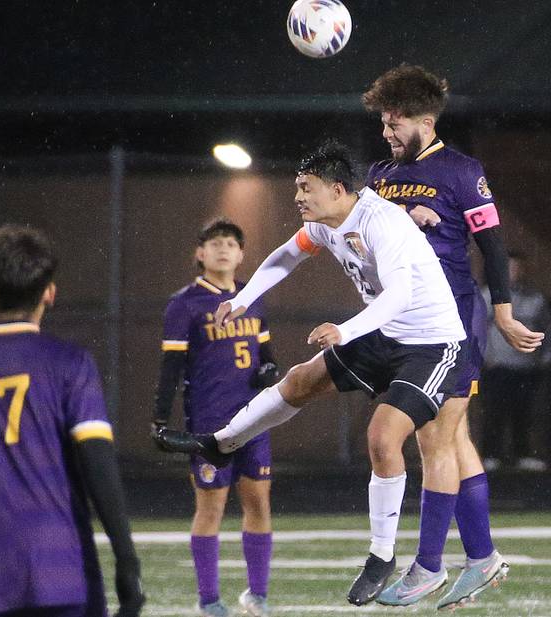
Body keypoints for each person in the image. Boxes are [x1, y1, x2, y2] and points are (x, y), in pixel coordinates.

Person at [154, 141, 470, 607]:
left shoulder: (382, 222)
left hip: (430, 343)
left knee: (383, 439)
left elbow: (400, 295)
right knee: (300, 380)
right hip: (383, 332)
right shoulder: (326, 224)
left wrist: (346, 330)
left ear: (338, 189)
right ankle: (221, 444)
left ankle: (382, 556)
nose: (298, 197)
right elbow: (285, 256)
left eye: (307, 188)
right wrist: (242, 299)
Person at [361, 64, 544, 609]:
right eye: (384, 123)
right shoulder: (378, 174)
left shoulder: (462, 171)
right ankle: (483, 558)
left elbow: (492, 245)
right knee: (454, 440)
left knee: (435, 439)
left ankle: (427, 566)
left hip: (451, 320)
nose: (387, 133)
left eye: (396, 123)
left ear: (427, 119)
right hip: (402, 326)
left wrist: (504, 314)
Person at [0, 225, 144, 617]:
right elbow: (97, 461)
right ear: (49, 293)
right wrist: (127, 561)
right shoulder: (69, 364)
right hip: (57, 566)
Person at [151, 219, 278, 617]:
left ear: (241, 254)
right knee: (211, 507)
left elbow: (267, 357)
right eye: (214, 243)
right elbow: (171, 365)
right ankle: (209, 600)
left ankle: (257, 596)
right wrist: (159, 418)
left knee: (258, 500)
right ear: (200, 253)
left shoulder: (252, 297)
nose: (223, 249)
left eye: (231, 243)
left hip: (254, 418)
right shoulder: (185, 303)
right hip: (209, 423)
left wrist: (270, 372)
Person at [480, 253, 551, 472]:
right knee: (495, 412)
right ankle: (491, 454)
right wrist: (487, 357)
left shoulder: (536, 298)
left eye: (519, 268)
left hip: (527, 366)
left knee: (523, 412)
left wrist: (545, 357)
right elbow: (478, 328)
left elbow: (548, 329)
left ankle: (521, 453)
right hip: (498, 365)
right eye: (511, 268)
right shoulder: (488, 295)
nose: (515, 273)